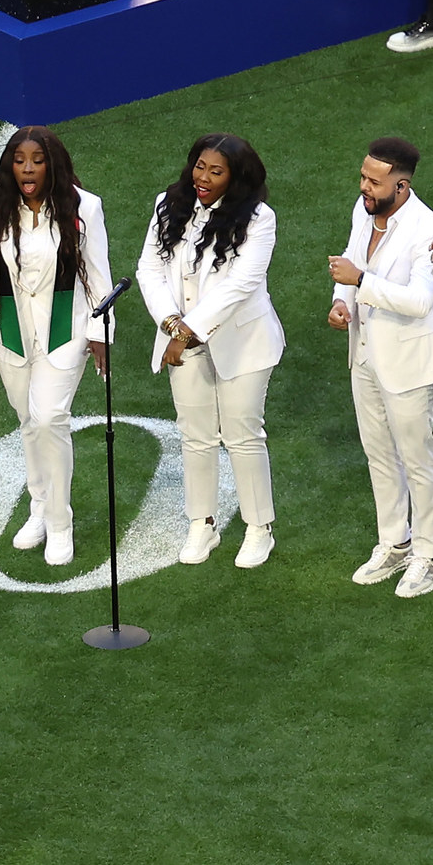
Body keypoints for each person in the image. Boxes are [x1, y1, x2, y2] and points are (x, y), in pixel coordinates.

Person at [0, 127, 113, 568]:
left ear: (53, 164)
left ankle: (61, 523)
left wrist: (103, 334)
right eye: (20, 160)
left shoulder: (85, 207)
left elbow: (99, 273)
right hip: (11, 331)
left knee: (49, 419)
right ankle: (39, 508)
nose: (28, 169)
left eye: (37, 160)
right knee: (28, 421)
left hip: (66, 330)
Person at [137, 134, 282, 569]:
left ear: (236, 178)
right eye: (200, 166)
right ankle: (202, 523)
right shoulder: (169, 204)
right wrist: (170, 323)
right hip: (182, 338)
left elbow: (242, 284)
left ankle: (259, 529)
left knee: (242, 433)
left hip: (243, 343)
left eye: (216, 171)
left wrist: (187, 332)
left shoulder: (259, 218)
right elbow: (149, 268)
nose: (203, 177)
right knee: (195, 435)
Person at [328, 136, 433, 599]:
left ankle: (430, 556)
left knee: (417, 461)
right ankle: (394, 542)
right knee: (379, 454)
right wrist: (342, 302)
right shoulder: (364, 211)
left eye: (373, 180)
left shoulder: (427, 230)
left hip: (408, 363)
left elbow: (421, 301)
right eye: (363, 176)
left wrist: (360, 283)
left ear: (401, 186)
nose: (363, 186)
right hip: (365, 355)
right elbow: (351, 262)